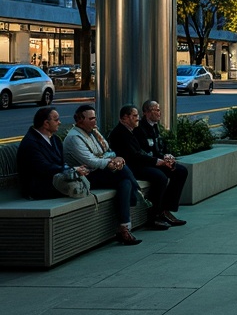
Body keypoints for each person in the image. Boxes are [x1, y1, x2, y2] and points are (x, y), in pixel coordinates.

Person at [64, 104, 145, 244]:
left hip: (100, 171)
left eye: (95, 118)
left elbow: (108, 151)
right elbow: (90, 161)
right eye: (91, 119)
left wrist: (114, 159)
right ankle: (136, 193)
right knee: (123, 171)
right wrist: (110, 162)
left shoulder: (94, 132)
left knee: (125, 182)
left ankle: (124, 229)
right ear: (80, 121)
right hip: (86, 176)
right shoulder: (74, 138)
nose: (95, 121)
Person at [133, 100, 189, 226]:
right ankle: (154, 214)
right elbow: (142, 153)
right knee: (160, 177)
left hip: (157, 161)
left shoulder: (155, 126)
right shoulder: (139, 129)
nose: (159, 113)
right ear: (146, 113)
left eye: (159, 110)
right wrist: (160, 161)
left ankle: (166, 209)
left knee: (180, 171)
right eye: (156, 110)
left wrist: (167, 157)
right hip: (145, 164)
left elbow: (159, 147)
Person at [16, 107, 87, 200]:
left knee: (86, 180)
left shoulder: (55, 139)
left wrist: (74, 170)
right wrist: (71, 170)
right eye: (56, 120)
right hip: (38, 188)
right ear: (46, 123)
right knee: (77, 188)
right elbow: (43, 167)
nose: (59, 122)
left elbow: (62, 162)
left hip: (56, 180)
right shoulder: (31, 143)